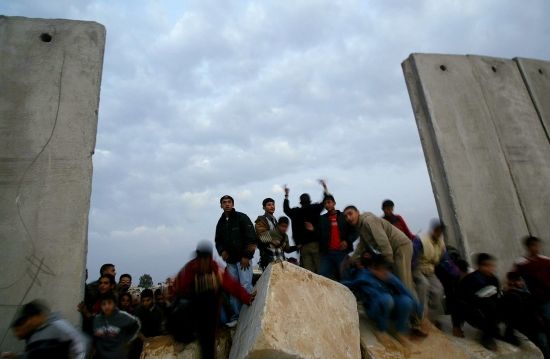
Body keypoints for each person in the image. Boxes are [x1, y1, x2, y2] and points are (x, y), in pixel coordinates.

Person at [173, 240, 255, 359]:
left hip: (209, 311)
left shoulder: (216, 271)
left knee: (207, 344)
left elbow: (233, 286)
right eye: (201, 260)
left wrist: (247, 298)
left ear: (210, 259)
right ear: (198, 259)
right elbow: (177, 287)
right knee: (181, 303)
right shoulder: (190, 269)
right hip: (192, 307)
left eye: (206, 260)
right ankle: (183, 336)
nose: (204, 263)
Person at [342, 255, 422, 348]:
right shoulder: (364, 277)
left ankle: (399, 332)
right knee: (387, 299)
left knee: (406, 301)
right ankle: (381, 331)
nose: (385, 273)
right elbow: (349, 284)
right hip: (374, 308)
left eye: (386, 270)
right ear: (373, 269)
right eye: (381, 270)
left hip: (389, 307)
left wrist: (418, 309)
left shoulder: (389, 277)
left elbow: (404, 290)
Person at [343, 205, 414, 293]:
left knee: (403, 283)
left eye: (350, 214)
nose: (348, 218)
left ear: (357, 212)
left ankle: (414, 305)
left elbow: (383, 243)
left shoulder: (369, 221)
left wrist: (384, 265)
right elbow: (361, 245)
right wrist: (351, 259)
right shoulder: (361, 227)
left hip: (401, 246)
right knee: (397, 282)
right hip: (393, 250)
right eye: (346, 216)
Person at [214, 195, 256, 326]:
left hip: (243, 260)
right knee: (233, 289)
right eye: (224, 202)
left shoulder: (241, 217)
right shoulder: (220, 223)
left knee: (245, 286)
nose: (227, 204)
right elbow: (218, 241)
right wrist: (222, 251)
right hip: (231, 262)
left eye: (229, 202)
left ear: (233, 204)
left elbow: (251, 238)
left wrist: (247, 256)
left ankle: (250, 315)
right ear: (221, 205)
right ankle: (236, 317)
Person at [1, 300, 87, 359]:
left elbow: (82, 345)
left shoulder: (58, 324)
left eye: (29, 319)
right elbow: (35, 355)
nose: (28, 323)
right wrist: (17, 357)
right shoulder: (33, 335)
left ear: (38, 316)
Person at [412, 219, 459, 324]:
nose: (439, 234)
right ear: (433, 230)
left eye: (441, 232)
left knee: (438, 290)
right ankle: (420, 319)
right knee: (423, 285)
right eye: (437, 231)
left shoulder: (441, 243)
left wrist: (457, 273)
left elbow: (445, 259)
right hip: (417, 268)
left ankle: (431, 319)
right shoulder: (420, 240)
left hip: (430, 270)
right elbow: (413, 259)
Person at [455, 253, 501, 351]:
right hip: (474, 313)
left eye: (491, 266)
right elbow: (458, 302)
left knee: (511, 299)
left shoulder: (494, 280)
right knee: (488, 303)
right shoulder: (468, 280)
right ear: (480, 266)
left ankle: (502, 331)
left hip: (490, 312)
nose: (490, 268)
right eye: (486, 266)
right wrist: (457, 326)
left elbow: (497, 298)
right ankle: (486, 337)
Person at [283, 180, 330, 273]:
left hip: (302, 246)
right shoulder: (315, 208)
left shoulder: (296, 212)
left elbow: (286, 209)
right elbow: (325, 201)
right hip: (316, 244)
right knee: (320, 271)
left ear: (300, 202)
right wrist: (325, 188)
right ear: (310, 200)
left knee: (309, 273)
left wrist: (286, 195)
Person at [515, 235, 550, 353]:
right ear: (528, 247)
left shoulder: (546, 261)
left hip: (546, 300)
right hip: (531, 302)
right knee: (539, 330)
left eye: (537, 246)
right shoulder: (521, 263)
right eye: (533, 246)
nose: (536, 248)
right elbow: (514, 278)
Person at [502, 272, 549, 357]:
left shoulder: (521, 293)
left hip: (534, 326)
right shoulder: (512, 296)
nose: (522, 283)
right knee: (542, 346)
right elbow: (519, 315)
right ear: (512, 282)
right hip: (530, 328)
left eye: (522, 280)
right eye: (520, 281)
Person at [318, 194, 356, 280]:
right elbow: (318, 234)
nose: (327, 205)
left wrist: (347, 241)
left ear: (334, 203)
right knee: (322, 276)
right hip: (327, 254)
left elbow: (354, 231)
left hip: (342, 253)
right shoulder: (322, 219)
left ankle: (350, 292)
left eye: (329, 202)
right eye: (325, 203)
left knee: (345, 277)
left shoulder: (344, 216)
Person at [93, 291, 140, 359]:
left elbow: (135, 327)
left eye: (127, 301)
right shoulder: (102, 318)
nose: (125, 303)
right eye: (123, 300)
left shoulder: (129, 316)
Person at [254, 198, 279, 270]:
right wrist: (274, 241)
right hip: (267, 253)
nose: (272, 206)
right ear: (264, 208)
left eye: (273, 204)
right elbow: (261, 235)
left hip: (277, 252)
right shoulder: (261, 220)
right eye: (269, 205)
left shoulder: (274, 220)